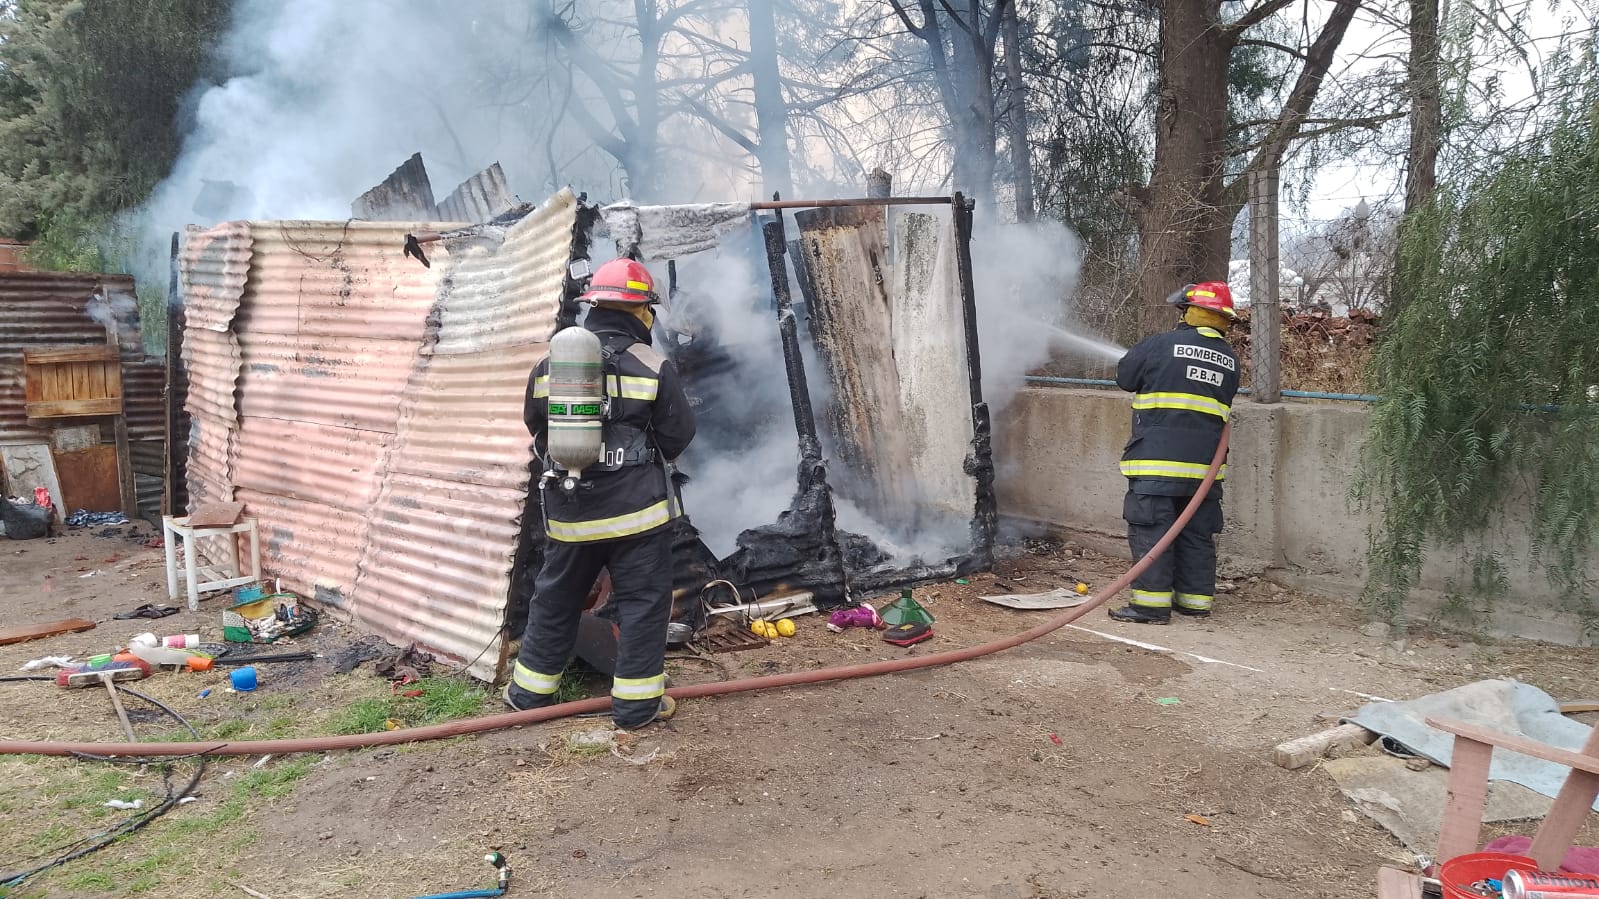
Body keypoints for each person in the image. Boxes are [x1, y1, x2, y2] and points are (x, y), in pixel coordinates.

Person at [506, 258, 697, 728]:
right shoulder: (651, 364)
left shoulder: (550, 366)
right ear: (641, 310)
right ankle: (636, 707)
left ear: (595, 306)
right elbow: (678, 434)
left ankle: (528, 696)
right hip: (636, 516)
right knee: (643, 604)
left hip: (571, 511)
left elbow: (536, 426)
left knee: (556, 597)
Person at [1107, 281, 1241, 625]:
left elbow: (1125, 376)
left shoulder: (1160, 345)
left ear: (1189, 312)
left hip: (1157, 465)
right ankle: (1195, 602)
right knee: (1196, 535)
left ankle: (1150, 606)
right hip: (1204, 472)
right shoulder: (1230, 360)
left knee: (1152, 533)